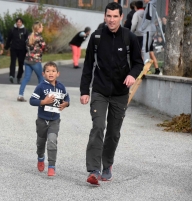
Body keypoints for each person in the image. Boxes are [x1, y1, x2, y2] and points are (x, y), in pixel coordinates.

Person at [80, 2, 143, 186]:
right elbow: (88, 64)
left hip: (120, 93)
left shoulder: (129, 37)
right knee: (98, 126)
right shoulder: (97, 37)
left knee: (114, 132)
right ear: (104, 16)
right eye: (109, 16)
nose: (112, 20)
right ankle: (94, 170)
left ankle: (107, 165)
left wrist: (132, 75)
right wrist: (85, 91)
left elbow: (139, 62)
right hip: (99, 90)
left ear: (121, 17)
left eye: (115, 16)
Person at [29, 61, 70, 177]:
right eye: (48, 71)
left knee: (52, 141)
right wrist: (43, 102)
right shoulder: (41, 87)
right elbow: (32, 100)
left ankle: (51, 166)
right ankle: (41, 158)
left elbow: (66, 98)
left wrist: (66, 104)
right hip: (42, 120)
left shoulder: (61, 87)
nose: (50, 73)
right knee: (41, 142)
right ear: (43, 74)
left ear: (58, 73)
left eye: (53, 71)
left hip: (55, 120)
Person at [17, 21, 46, 102]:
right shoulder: (39, 38)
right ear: (38, 28)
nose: (42, 28)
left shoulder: (30, 36)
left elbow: (26, 46)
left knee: (26, 78)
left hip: (27, 60)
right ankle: (41, 96)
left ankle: (20, 95)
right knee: (41, 78)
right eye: (42, 27)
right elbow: (44, 47)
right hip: (35, 60)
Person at [5, 17, 28, 84]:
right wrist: (6, 47)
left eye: (20, 22)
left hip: (22, 50)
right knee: (13, 62)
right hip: (14, 49)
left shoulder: (25, 30)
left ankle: (19, 77)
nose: (18, 23)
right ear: (16, 23)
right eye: (17, 22)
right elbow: (9, 39)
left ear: (22, 23)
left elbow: (27, 40)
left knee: (21, 64)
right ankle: (11, 76)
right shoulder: (12, 30)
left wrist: (28, 49)